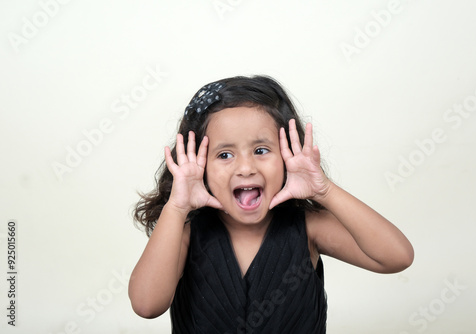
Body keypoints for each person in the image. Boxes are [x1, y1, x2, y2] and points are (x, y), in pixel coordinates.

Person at [128, 75, 414, 333]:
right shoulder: (187, 233)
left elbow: (396, 257)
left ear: (289, 153)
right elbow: (146, 305)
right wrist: (176, 208)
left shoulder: (309, 227)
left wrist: (324, 190)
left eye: (261, 150)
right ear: (198, 165)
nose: (245, 167)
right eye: (224, 155)